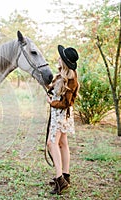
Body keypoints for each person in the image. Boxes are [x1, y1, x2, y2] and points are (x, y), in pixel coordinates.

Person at [46, 45, 79, 195]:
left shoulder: (71, 79)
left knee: (52, 143)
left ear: (64, 61)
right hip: (60, 113)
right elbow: (55, 91)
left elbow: (66, 103)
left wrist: (51, 102)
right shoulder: (62, 75)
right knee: (62, 143)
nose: (58, 59)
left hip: (61, 113)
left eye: (60, 57)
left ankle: (60, 180)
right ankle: (65, 175)